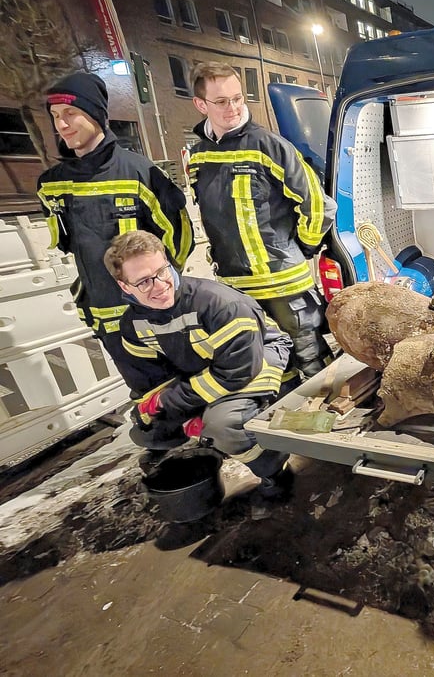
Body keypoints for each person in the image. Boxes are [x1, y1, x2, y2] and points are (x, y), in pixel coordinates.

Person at [104, 230, 295, 497]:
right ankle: (210, 438)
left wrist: (177, 405)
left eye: (162, 271)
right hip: (207, 369)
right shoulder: (132, 325)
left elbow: (235, 373)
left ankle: (275, 471)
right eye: (144, 281)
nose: (159, 285)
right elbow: (153, 380)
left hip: (257, 358)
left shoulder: (220, 304)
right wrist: (157, 410)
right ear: (125, 287)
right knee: (146, 430)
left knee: (223, 425)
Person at [37, 71, 194, 383]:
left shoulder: (141, 173)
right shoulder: (52, 184)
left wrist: (158, 293)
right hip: (105, 318)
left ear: (96, 113)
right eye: (56, 116)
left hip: (153, 317)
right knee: (149, 401)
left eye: (71, 113)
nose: (62, 125)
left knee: (183, 390)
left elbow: (179, 239)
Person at [187, 61, 337, 380]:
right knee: (264, 366)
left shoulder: (269, 146)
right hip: (236, 287)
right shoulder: (199, 155)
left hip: (285, 285)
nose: (233, 108)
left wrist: (302, 249)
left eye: (238, 98)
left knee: (311, 367)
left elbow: (318, 205)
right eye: (222, 101)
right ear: (201, 104)